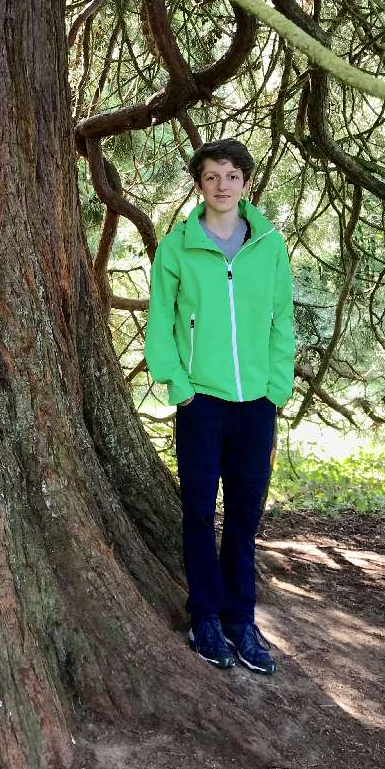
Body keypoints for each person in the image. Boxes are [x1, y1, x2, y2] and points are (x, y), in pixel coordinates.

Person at [144, 138, 294, 674]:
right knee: (199, 512)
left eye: (232, 175)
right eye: (211, 176)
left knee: (245, 517)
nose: (222, 184)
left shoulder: (269, 245)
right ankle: (205, 615)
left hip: (257, 405)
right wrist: (179, 386)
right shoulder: (177, 248)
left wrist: (276, 388)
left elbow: (282, 321)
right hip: (201, 403)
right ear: (199, 184)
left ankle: (240, 619)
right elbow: (160, 322)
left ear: (246, 183)